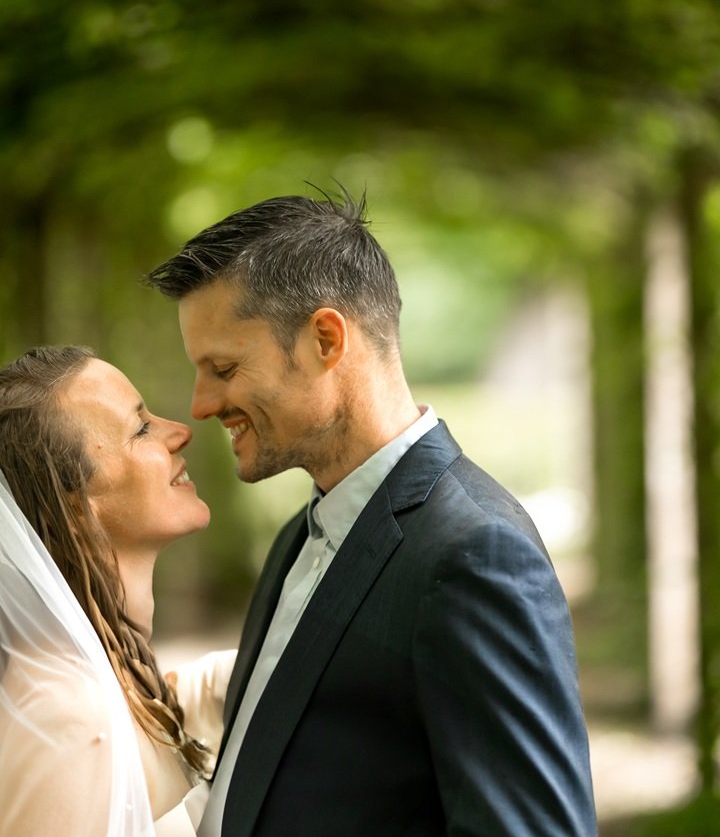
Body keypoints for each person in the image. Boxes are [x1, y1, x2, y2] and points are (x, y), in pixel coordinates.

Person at [145, 189, 598, 837]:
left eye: (223, 367)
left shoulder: (473, 555)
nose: (200, 405)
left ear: (326, 339)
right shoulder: (299, 536)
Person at [0, 346, 235, 836]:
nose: (180, 431)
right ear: (74, 506)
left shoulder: (102, 672)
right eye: (141, 428)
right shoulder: (66, 720)